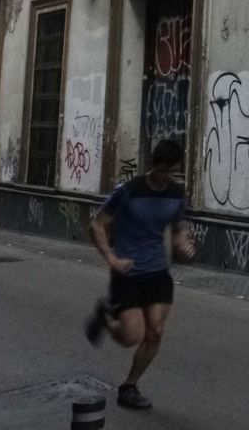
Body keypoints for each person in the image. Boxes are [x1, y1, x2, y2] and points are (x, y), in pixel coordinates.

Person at [82, 139, 195, 410]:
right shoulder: (129, 191)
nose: (166, 176)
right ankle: (105, 317)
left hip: (157, 271)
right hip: (128, 271)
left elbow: (178, 228)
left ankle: (129, 386)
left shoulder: (176, 193)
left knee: (155, 332)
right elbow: (96, 226)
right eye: (163, 170)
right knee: (131, 336)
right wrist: (112, 259)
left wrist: (183, 243)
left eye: (173, 171)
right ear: (153, 164)